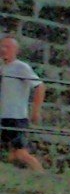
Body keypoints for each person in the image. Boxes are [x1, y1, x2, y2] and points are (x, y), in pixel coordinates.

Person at [0, 35, 45, 172]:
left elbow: (39, 86)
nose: (3, 49)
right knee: (11, 155)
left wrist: (36, 111)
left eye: (7, 47)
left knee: (20, 153)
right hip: (3, 115)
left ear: (15, 50)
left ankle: (43, 177)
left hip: (16, 117)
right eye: (2, 46)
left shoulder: (21, 67)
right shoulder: (2, 67)